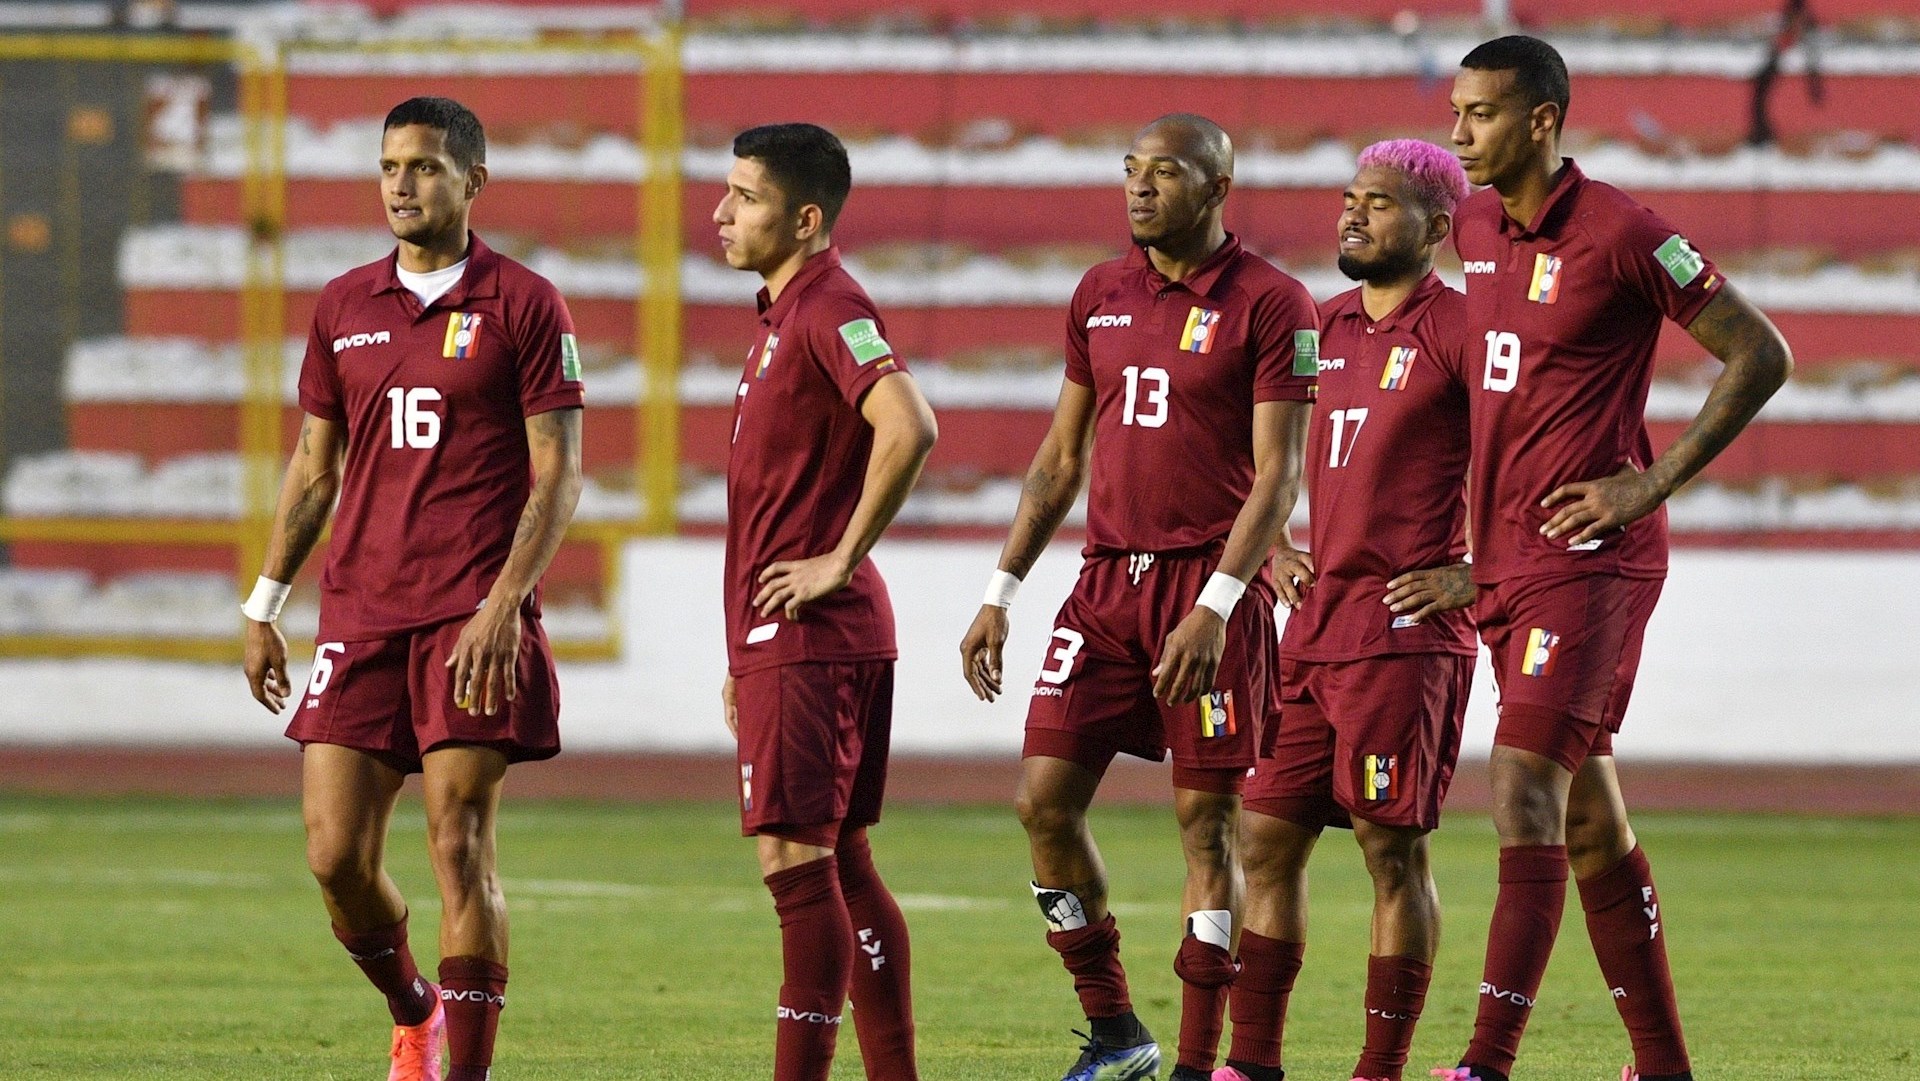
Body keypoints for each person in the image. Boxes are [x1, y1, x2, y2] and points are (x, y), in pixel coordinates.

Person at [1435, 36, 1792, 1081]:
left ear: (1542, 120)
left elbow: (1758, 351)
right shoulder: (1472, 225)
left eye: (1481, 114)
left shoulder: (1627, 232)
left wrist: (1652, 480)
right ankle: (1662, 1066)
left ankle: (1484, 1063)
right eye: (1456, 112)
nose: (1460, 133)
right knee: (1590, 821)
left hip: (1594, 560)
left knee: (1522, 783)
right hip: (1505, 564)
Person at [960, 113, 1318, 1081]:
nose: (1141, 187)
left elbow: (1278, 477)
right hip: (1103, 585)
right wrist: (1001, 590)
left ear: (1214, 188)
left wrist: (1219, 603)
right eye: (1132, 169)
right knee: (1042, 804)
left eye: (1166, 172)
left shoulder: (1275, 304)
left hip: (1210, 588)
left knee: (1206, 828)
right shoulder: (1099, 292)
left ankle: (1201, 1063)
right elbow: (1061, 458)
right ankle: (1117, 1030)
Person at [242, 96, 585, 1081]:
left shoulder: (525, 302)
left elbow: (559, 474)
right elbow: (314, 469)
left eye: (427, 167)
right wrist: (264, 603)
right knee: (335, 856)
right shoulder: (342, 305)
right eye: (391, 165)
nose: (402, 182)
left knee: (458, 842)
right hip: (361, 608)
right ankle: (414, 1009)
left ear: (473, 182)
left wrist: (504, 602)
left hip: (472, 613)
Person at [1216, 140, 1478, 1081]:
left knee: (1389, 851)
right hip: (1311, 629)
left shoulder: (1462, 331)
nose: (1353, 216)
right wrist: (1276, 547)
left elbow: (1537, 457)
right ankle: (1254, 1062)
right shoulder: (1316, 328)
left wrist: (1476, 574)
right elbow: (1257, 455)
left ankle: (1378, 1069)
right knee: (1265, 835)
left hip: (1406, 637)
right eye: (1349, 200)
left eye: (1379, 204)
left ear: (1438, 229)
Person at [715, 122, 937, 1081]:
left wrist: (839, 558)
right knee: (839, 862)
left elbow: (911, 423)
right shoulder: (784, 316)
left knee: (797, 872)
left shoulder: (826, 308)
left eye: (746, 198)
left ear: (805, 219)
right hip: (795, 641)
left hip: (815, 634)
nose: (721, 213)